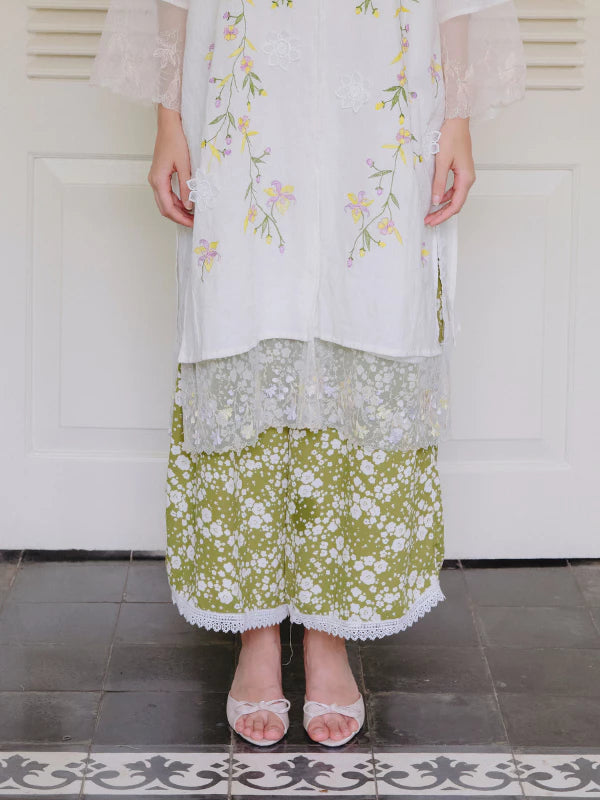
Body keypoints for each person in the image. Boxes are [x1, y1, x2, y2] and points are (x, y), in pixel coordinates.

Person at [91, 0, 526, 748]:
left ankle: (330, 629)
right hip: (242, 83)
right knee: (242, 318)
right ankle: (256, 632)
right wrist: (169, 116)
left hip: (380, 103)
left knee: (371, 318)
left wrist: (456, 117)